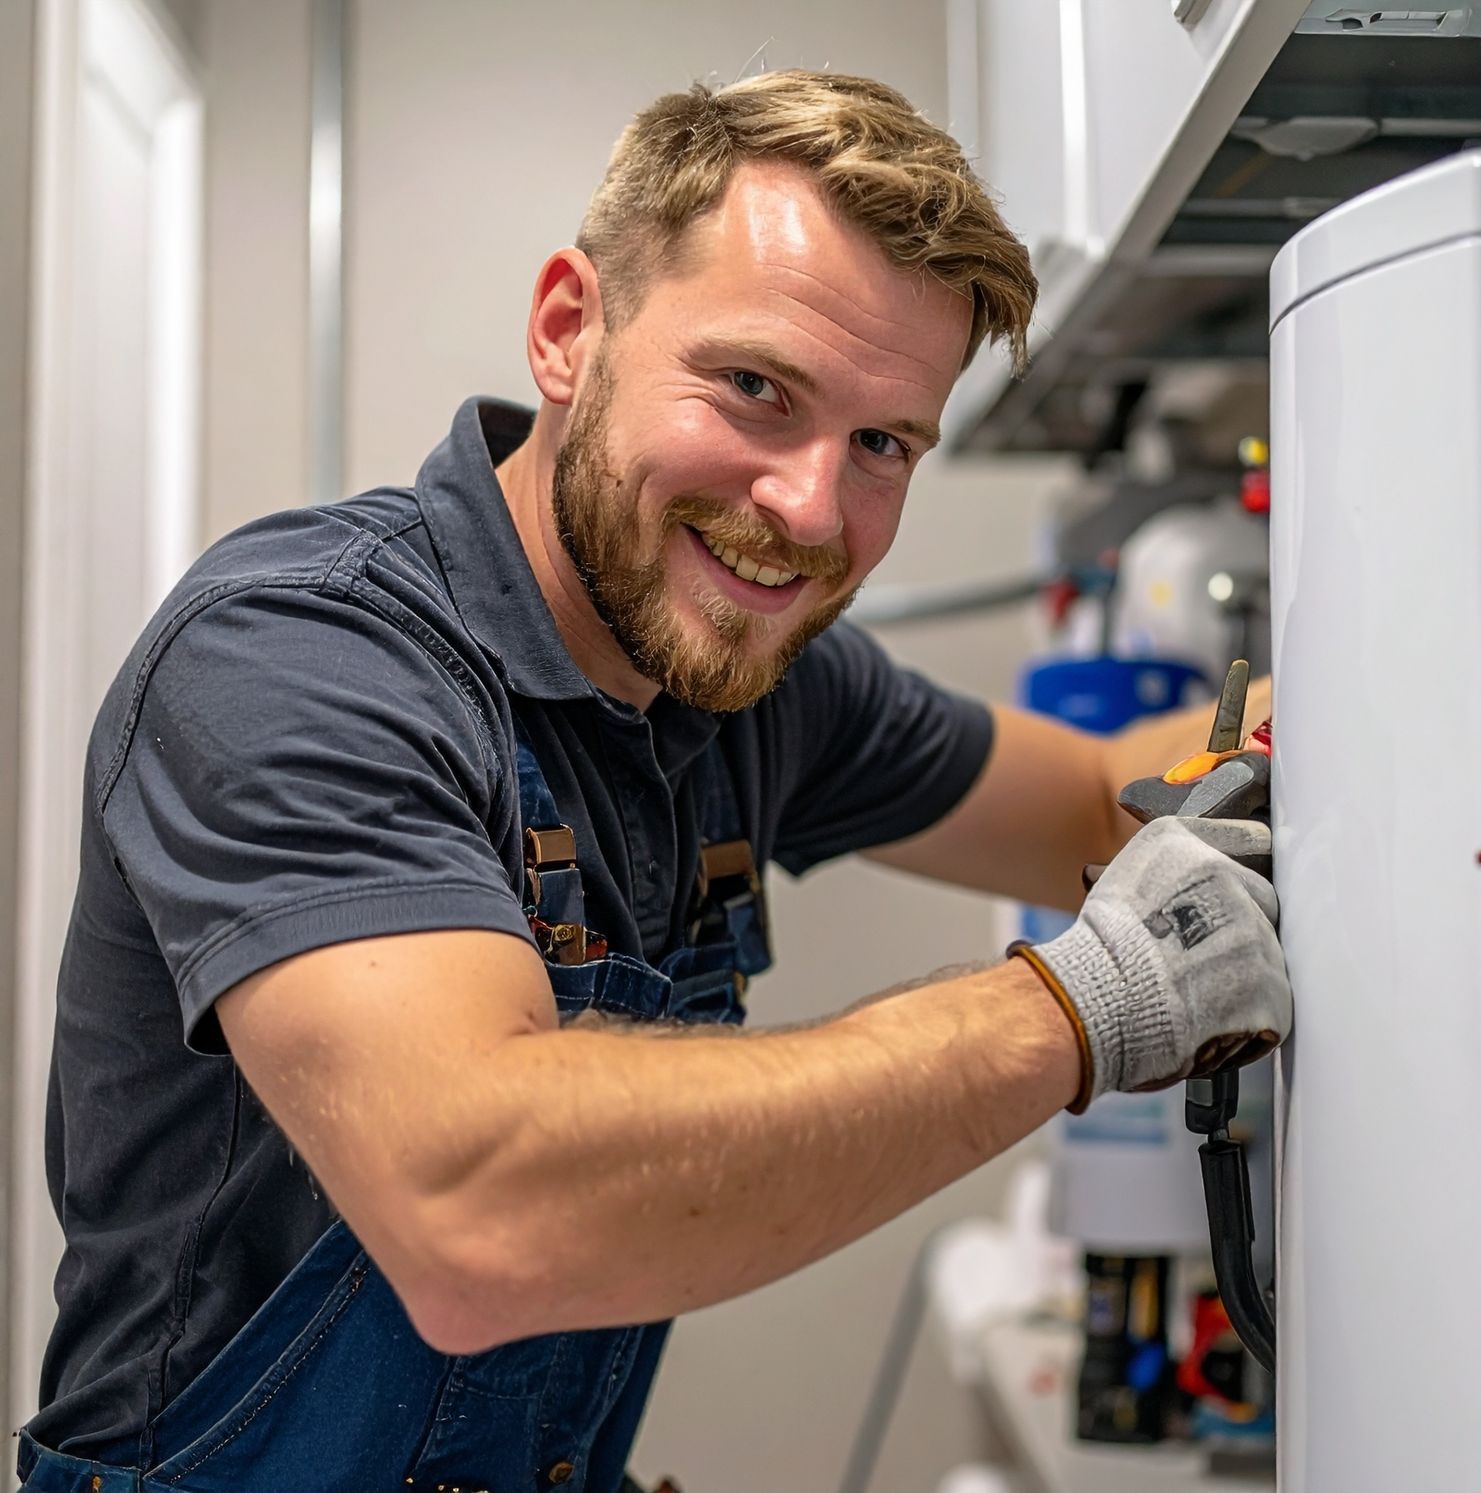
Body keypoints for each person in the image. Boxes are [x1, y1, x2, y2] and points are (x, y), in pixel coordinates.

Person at [17, 70, 1289, 1492]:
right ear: (571, 329)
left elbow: (1090, 807)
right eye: (754, 387)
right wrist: (1084, 1005)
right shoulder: (292, 656)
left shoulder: (751, 684)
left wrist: (1331, 718)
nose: (809, 510)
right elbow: (479, 1205)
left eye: (881, 445)